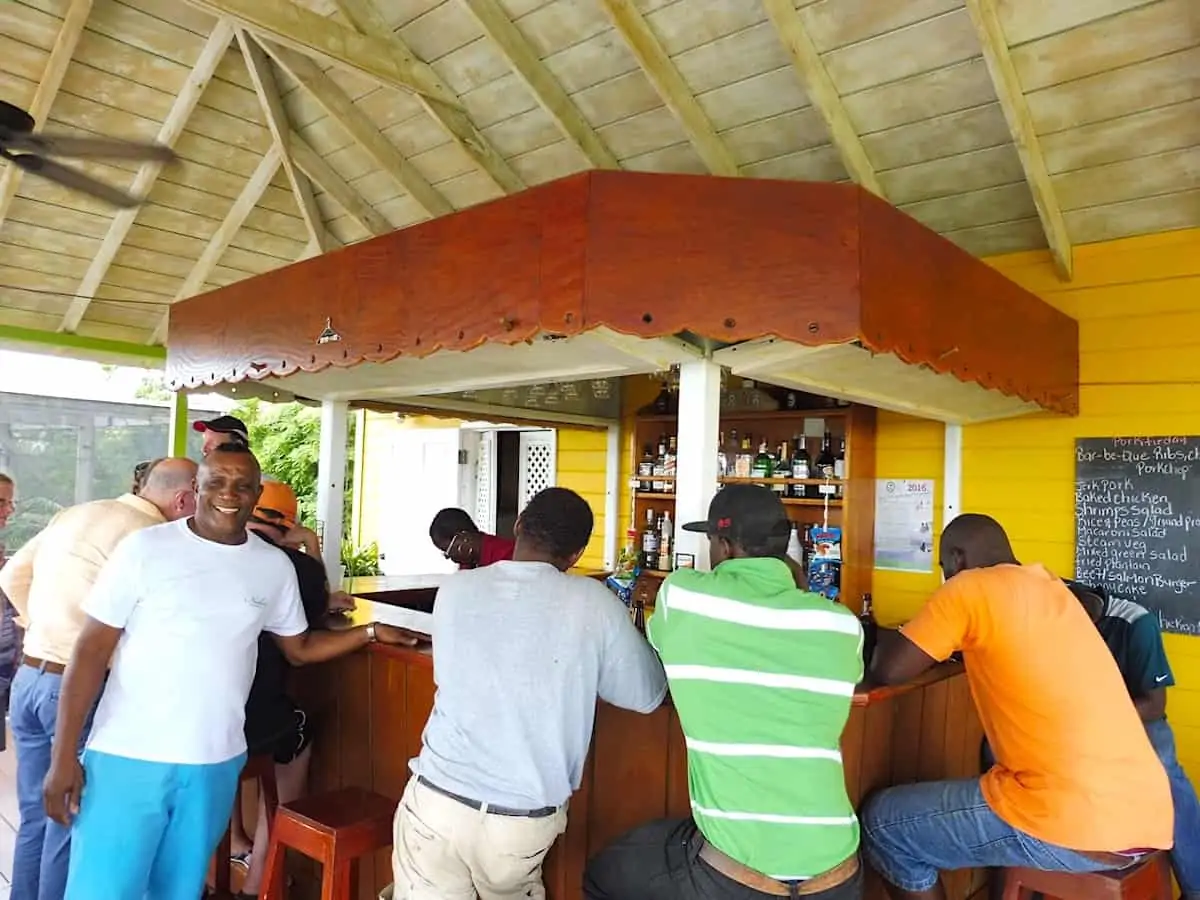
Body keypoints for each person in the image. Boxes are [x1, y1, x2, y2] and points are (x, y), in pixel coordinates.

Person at [42, 444, 419, 900]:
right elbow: (89, 652)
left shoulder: (272, 567)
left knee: (179, 890)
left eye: (243, 485)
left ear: (256, 494)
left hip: (214, 764)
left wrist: (371, 632)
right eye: (217, 481)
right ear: (195, 488)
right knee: (102, 891)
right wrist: (63, 757)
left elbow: (298, 648)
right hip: (127, 757)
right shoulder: (146, 548)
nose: (229, 493)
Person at [862, 513, 1173, 900]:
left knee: (883, 825)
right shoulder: (1053, 588)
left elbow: (888, 670)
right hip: (1149, 816)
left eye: (944, 568)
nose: (946, 578)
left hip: (1077, 819)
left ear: (957, 559)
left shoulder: (969, 589)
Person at [585, 484, 864, 900]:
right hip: (839, 869)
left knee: (603, 876)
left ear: (725, 545)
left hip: (737, 875)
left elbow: (657, 644)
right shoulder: (842, 627)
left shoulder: (684, 596)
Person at [392, 487, 666, 900]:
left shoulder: (456, 590)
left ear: (518, 525)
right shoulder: (593, 603)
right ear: (575, 555)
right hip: (517, 822)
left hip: (435, 801)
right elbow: (647, 694)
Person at [0, 458, 198, 900]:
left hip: (31, 678)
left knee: (37, 814)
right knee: (71, 819)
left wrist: (42, 627)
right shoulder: (151, 538)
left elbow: (12, 574)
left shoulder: (77, 512)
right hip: (78, 692)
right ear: (183, 499)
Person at [231, 479, 342, 899]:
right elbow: (308, 633)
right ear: (289, 524)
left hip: (205, 721)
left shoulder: (212, 552)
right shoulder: (297, 568)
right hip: (255, 721)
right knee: (298, 735)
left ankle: (231, 851)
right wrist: (310, 544)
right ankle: (263, 873)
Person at [1065, 582, 1199, 899]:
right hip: (1078, 720)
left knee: (1165, 775)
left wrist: (1095, 715)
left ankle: (1195, 884)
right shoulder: (1053, 611)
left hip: (1137, 721)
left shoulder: (1136, 623)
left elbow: (1154, 705)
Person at [428, 507, 515, 569]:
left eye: (448, 551)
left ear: (464, 538)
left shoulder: (509, 558)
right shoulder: (468, 563)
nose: (451, 558)